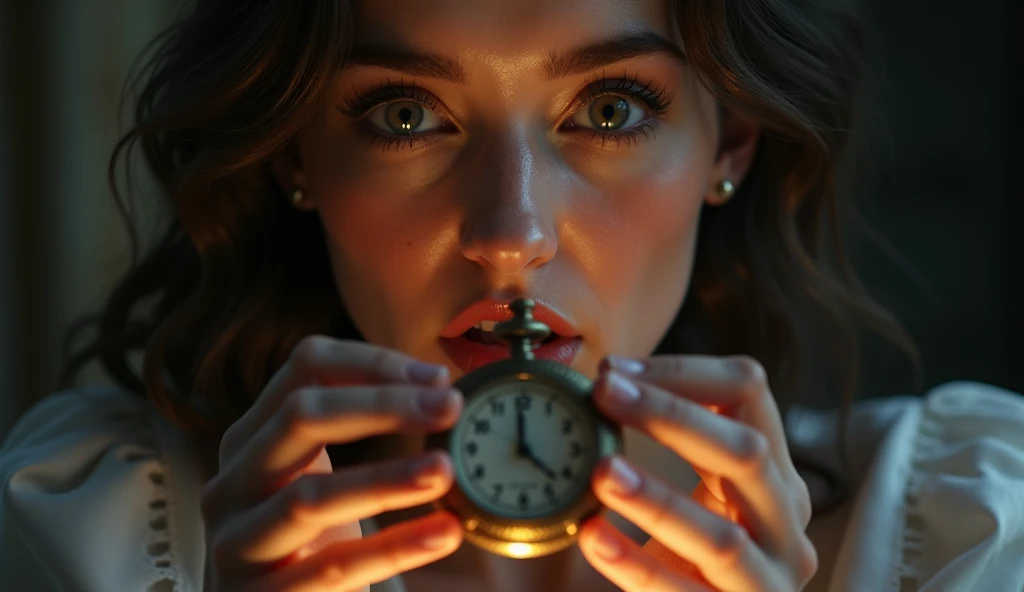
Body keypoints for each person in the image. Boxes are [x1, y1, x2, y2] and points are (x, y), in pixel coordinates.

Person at [2, 0, 1022, 590]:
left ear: (731, 142)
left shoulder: (964, 533)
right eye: (406, 115)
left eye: (610, 108)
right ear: (292, 159)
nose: (509, 235)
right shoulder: (89, 536)